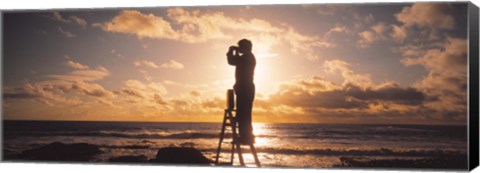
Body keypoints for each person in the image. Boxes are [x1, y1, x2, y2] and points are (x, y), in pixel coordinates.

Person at [226, 39, 256, 145]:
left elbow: (231, 61)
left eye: (240, 46)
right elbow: (234, 61)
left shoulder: (246, 57)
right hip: (245, 88)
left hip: (245, 88)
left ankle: (246, 137)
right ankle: (245, 137)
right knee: (244, 113)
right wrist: (234, 52)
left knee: (243, 114)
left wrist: (231, 50)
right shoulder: (247, 56)